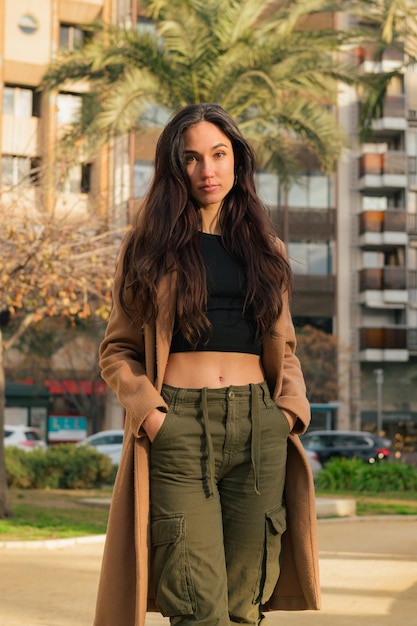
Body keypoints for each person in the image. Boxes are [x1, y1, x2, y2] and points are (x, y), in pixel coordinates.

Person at [94, 103, 320, 626]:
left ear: (237, 160)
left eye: (218, 154)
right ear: (176, 167)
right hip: (179, 428)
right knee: (197, 607)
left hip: (259, 427)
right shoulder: (147, 248)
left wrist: (287, 412)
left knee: (245, 606)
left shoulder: (267, 250)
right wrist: (152, 415)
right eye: (192, 158)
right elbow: (118, 349)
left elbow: (284, 349)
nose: (207, 170)